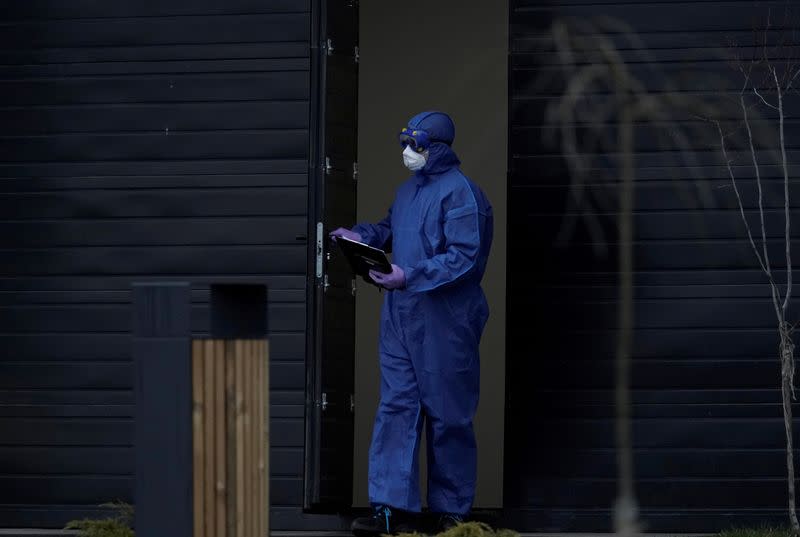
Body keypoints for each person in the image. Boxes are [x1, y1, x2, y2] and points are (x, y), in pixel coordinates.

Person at [330, 111, 493, 536]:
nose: (408, 153)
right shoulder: (408, 192)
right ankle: (389, 508)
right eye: (405, 143)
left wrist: (410, 275)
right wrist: (360, 237)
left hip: (446, 320)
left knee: (448, 414)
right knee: (396, 408)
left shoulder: (461, 195)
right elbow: (388, 230)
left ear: (437, 147)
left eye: (416, 145)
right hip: (402, 317)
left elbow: (464, 258)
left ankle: (450, 511)